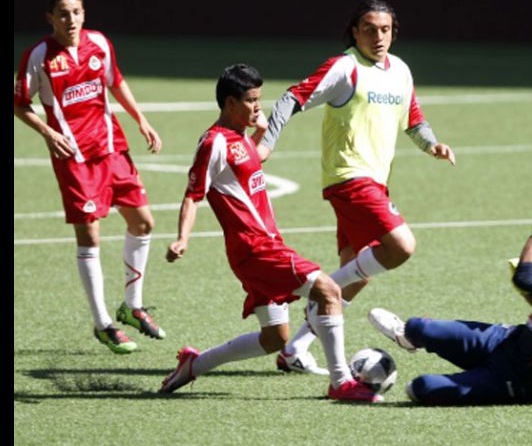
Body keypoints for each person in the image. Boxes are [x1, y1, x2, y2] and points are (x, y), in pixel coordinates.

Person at [159, 64, 382, 402]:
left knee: (274, 339)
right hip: (255, 248)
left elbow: (254, 160)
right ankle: (341, 383)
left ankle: (195, 364)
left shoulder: (240, 139)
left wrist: (262, 132)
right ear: (230, 103)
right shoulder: (214, 143)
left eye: (259, 99)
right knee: (328, 291)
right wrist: (182, 238)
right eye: (251, 101)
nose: (257, 106)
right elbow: (193, 195)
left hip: (262, 248)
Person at [257, 0, 456, 375]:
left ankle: (295, 349)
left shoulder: (400, 70)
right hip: (348, 177)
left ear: (393, 31)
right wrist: (266, 143)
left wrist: (432, 144)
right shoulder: (344, 67)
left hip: (375, 182)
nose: (378, 36)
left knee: (358, 274)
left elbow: (413, 118)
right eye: (369, 29)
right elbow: (293, 97)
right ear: (355, 31)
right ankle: (318, 289)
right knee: (401, 247)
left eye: (385, 29)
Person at [13, 0, 165, 354]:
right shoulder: (39, 56)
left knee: (143, 222)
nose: (71, 20)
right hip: (74, 158)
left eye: (77, 12)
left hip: (112, 148)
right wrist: (48, 133)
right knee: (90, 238)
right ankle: (103, 324)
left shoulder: (99, 43)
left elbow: (116, 82)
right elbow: (19, 103)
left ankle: (132, 307)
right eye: (63, 13)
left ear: (84, 13)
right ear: (50, 17)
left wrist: (141, 120)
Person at [368, 191, 532, 405]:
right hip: (505, 341)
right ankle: (407, 339)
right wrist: (528, 295)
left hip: (521, 376)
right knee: (416, 327)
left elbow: (525, 276)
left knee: (420, 388)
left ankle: (481, 378)